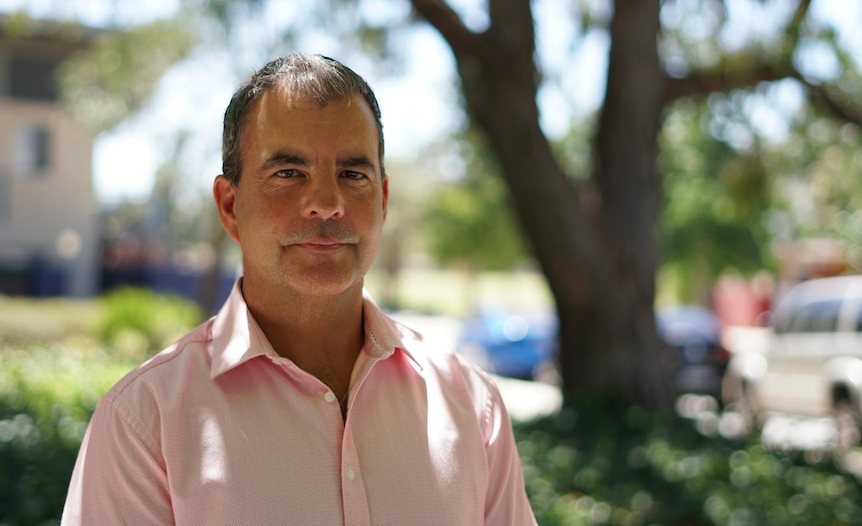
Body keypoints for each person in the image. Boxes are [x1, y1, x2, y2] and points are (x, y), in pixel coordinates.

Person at [61, 54, 538, 525]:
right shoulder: (145, 422)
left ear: (384, 200)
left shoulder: (473, 405)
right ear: (230, 207)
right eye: (288, 173)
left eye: (353, 175)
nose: (327, 204)